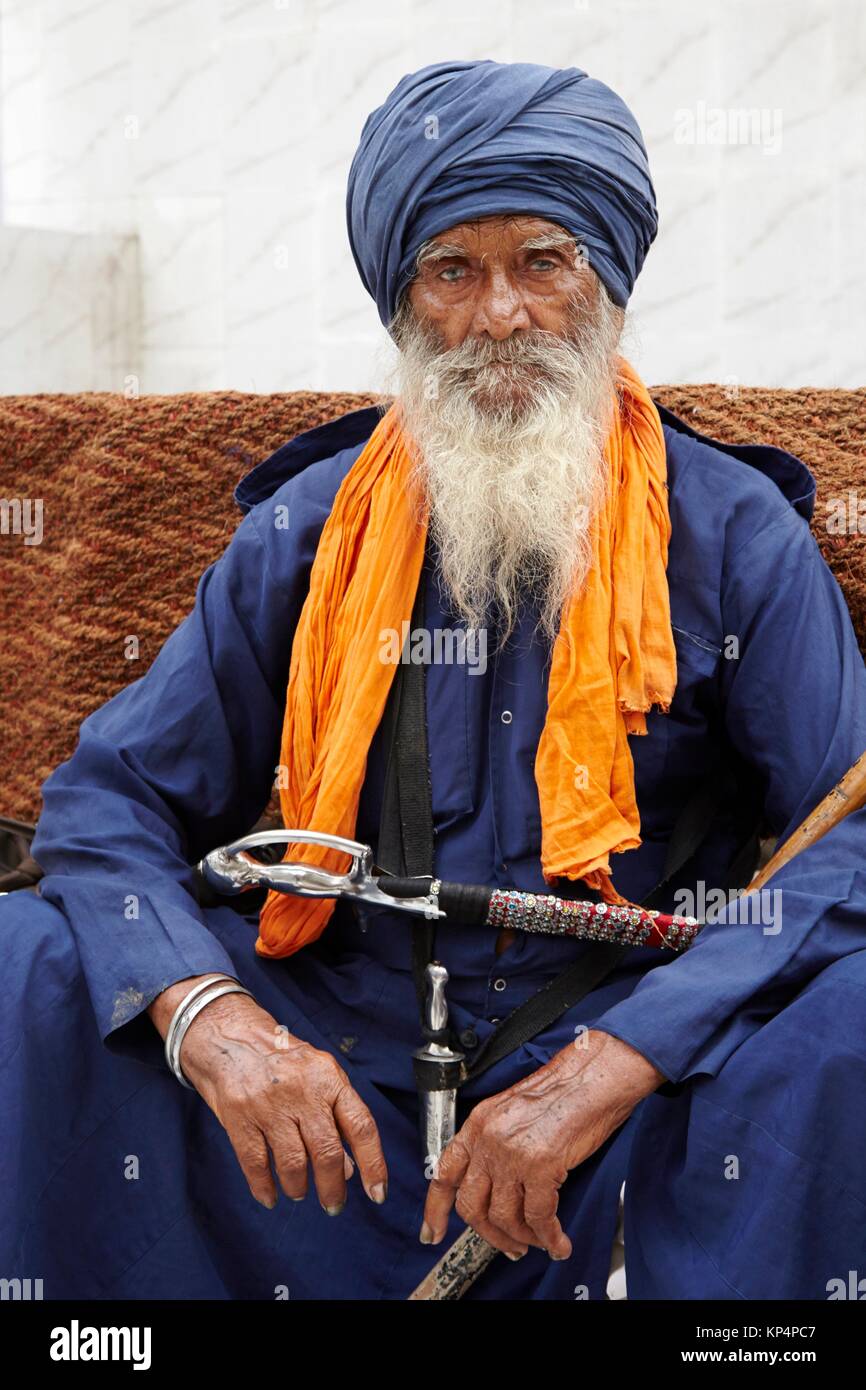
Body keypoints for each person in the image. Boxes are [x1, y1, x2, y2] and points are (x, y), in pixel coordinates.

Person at [3, 59, 865, 1302]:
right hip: (328, 1081)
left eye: (542, 261)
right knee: (24, 954)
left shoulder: (731, 535)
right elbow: (108, 802)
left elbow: (847, 833)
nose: (500, 314)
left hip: (626, 1091)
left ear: (607, 287)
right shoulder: (308, 533)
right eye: (451, 270)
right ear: (404, 305)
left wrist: (628, 1053)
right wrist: (215, 1024)